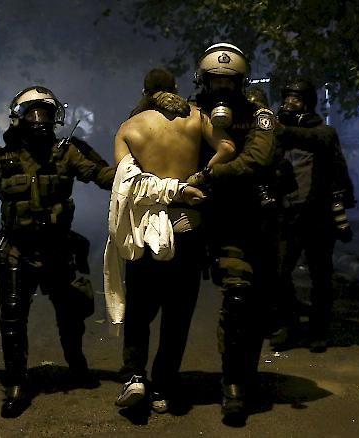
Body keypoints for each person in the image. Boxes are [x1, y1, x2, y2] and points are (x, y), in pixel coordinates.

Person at [0, 86, 115, 418]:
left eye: (46, 114)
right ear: (18, 118)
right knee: (12, 316)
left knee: (70, 313)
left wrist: (140, 180)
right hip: (17, 249)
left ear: (56, 117)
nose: (39, 121)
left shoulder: (68, 153)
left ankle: (77, 365)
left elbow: (102, 174)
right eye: (32, 114)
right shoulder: (0, 159)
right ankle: (16, 382)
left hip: (58, 247)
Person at [105, 68, 235, 414]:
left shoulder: (129, 128)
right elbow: (228, 146)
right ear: (175, 89)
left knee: (138, 311)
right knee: (178, 315)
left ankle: (134, 376)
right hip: (187, 226)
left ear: (145, 92)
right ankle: (162, 386)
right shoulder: (196, 118)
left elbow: (128, 184)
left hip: (147, 230)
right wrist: (201, 175)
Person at [187, 42, 277, 425]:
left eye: (230, 82)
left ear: (242, 83)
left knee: (245, 302)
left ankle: (237, 382)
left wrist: (210, 173)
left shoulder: (260, 117)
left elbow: (257, 160)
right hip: (195, 216)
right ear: (202, 81)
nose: (222, 90)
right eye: (215, 82)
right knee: (163, 295)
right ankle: (152, 379)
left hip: (243, 220)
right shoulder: (188, 114)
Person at [270, 78, 355, 353]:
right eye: (287, 97)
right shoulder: (278, 135)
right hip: (287, 214)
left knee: (321, 275)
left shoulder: (322, 133)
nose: (289, 103)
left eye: (296, 98)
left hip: (317, 215)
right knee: (278, 272)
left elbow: (313, 141)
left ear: (308, 103)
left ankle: (319, 330)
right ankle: (290, 324)